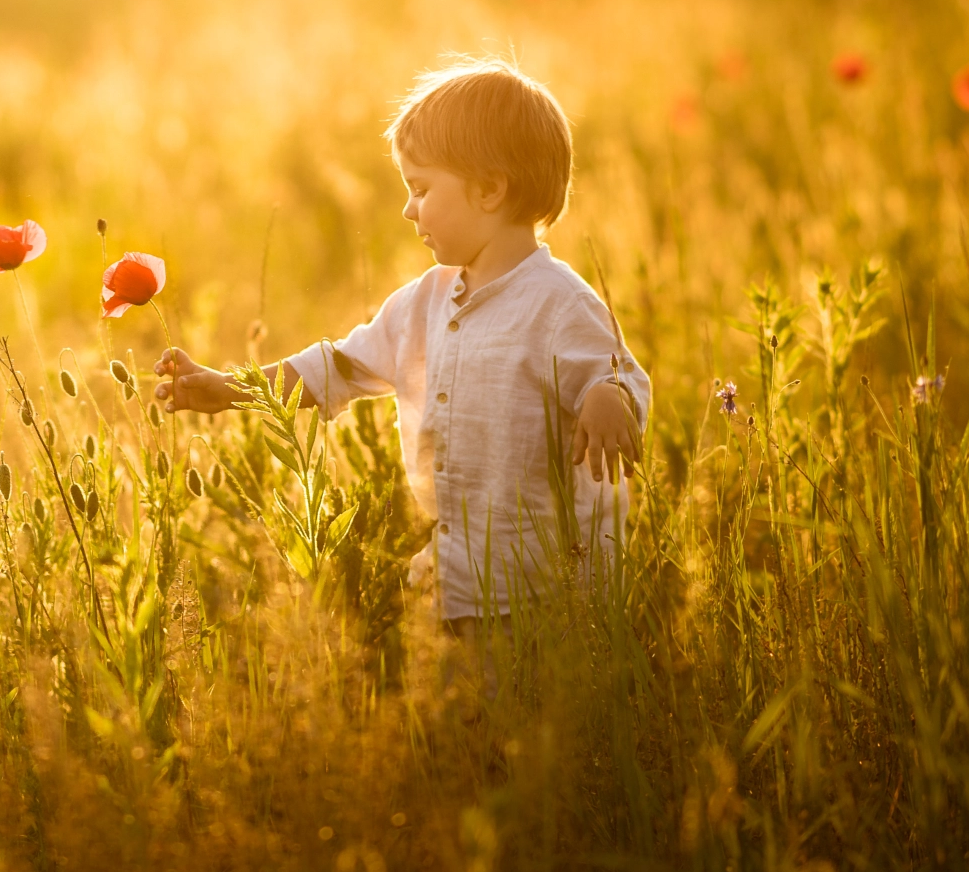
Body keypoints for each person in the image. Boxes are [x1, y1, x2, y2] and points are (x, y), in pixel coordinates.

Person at [153, 57, 650, 650]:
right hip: (457, 576)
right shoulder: (422, 304)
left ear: (490, 188)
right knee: (461, 724)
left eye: (420, 189)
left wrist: (607, 395)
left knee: (538, 727)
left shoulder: (559, 303)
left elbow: (619, 372)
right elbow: (335, 367)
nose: (408, 209)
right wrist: (232, 388)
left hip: (550, 591)